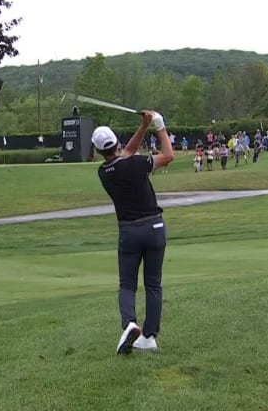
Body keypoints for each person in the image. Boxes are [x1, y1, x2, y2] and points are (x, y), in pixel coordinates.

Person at [91, 110, 174, 354]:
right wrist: (159, 125)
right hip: (155, 227)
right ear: (117, 142)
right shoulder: (137, 163)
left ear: (98, 151)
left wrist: (144, 126)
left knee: (127, 284)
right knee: (153, 285)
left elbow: (125, 155)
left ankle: (129, 324)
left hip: (129, 232)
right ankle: (149, 337)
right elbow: (168, 155)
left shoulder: (104, 172)